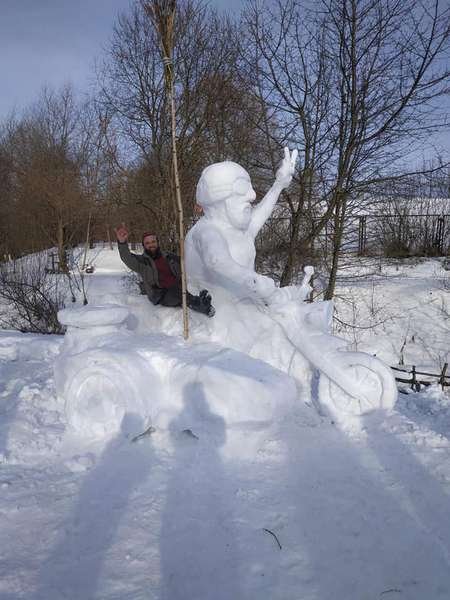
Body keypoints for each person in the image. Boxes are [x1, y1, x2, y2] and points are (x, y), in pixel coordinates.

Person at [114, 224, 215, 317]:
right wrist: (122, 243)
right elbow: (127, 258)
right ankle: (203, 307)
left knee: (180, 290)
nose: (151, 245)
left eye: (153, 242)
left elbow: (188, 262)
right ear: (144, 246)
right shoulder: (142, 262)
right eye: (147, 243)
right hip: (161, 295)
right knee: (177, 293)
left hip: (179, 289)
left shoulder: (170, 257)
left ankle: (201, 300)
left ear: (157, 243)